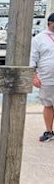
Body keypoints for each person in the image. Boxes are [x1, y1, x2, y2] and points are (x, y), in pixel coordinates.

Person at [30, 12, 54, 142]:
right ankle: (49, 131)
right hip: (47, 77)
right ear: (49, 23)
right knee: (48, 104)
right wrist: (34, 77)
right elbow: (32, 58)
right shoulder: (39, 38)